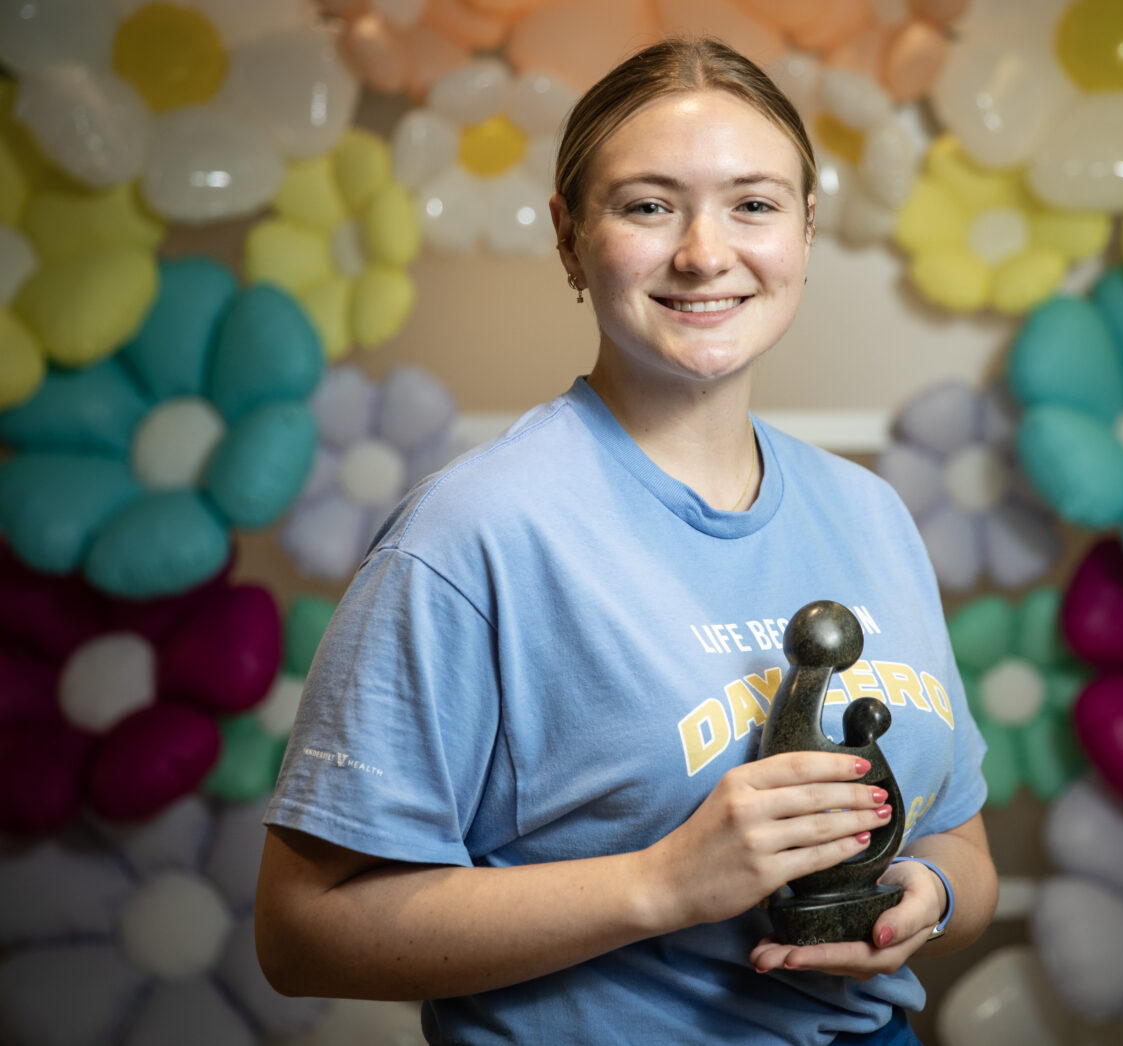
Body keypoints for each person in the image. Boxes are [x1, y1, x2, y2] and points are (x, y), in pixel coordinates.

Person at [255, 36, 997, 1046]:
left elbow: (962, 844)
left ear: (807, 229)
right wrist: (663, 883)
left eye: (754, 204)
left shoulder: (871, 514)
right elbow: (302, 932)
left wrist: (929, 896)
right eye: (649, 206)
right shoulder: (474, 535)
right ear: (570, 239)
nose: (704, 252)